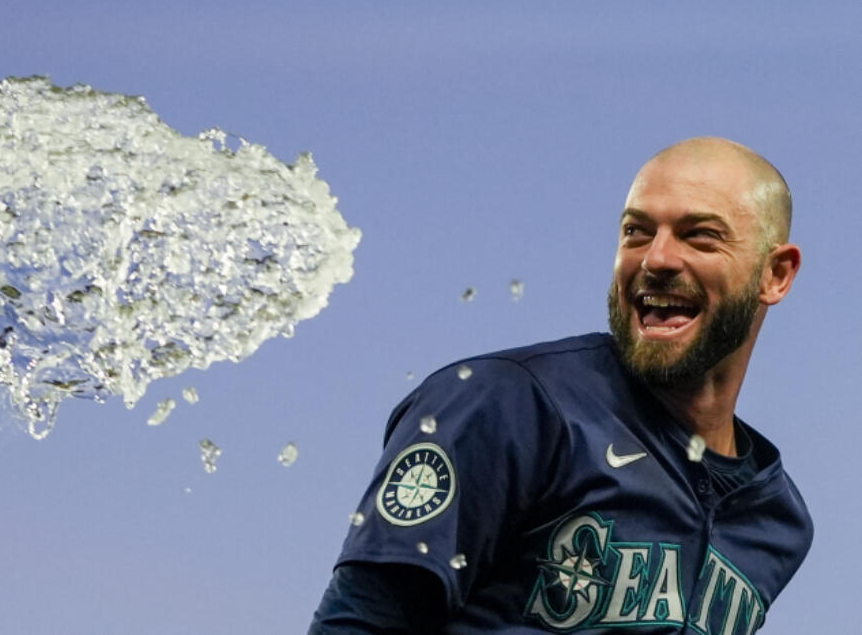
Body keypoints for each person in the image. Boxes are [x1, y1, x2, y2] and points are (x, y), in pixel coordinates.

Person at [308, 137, 811, 635]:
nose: (656, 259)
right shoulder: (508, 404)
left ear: (776, 275)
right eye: (636, 232)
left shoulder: (777, 521)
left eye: (698, 236)